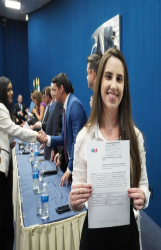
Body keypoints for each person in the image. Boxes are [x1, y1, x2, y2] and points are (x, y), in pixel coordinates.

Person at [69, 48, 150, 250]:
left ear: (125, 87)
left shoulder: (136, 137)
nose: (114, 85)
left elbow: (144, 185)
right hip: (94, 236)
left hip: (126, 235)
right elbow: (76, 199)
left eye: (119, 79)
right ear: (99, 82)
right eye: (108, 76)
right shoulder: (84, 138)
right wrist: (74, 201)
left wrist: (143, 196)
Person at [0, 76, 41, 250]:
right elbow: (14, 129)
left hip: (5, 164)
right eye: (8, 89)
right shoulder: (0, 107)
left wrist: (9, 142)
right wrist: (37, 137)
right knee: (3, 212)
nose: (12, 92)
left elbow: (6, 132)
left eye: (12, 89)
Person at [40, 73, 88, 186]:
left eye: (54, 90)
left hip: (79, 167)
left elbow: (78, 143)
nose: (52, 94)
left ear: (61, 89)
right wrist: (47, 139)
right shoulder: (66, 106)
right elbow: (64, 137)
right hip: (73, 164)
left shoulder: (74, 106)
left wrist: (69, 170)